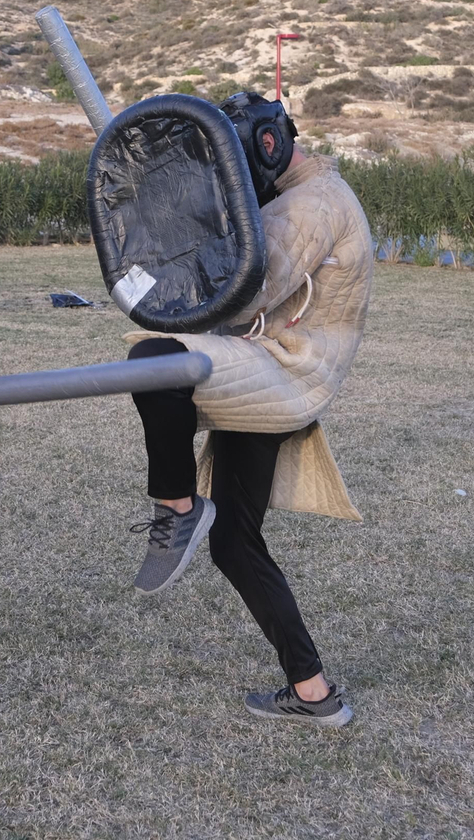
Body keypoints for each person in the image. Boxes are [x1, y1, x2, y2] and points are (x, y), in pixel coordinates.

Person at [125, 92, 373, 728]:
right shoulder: (306, 194)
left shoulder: (311, 204)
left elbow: (240, 294)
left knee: (155, 360)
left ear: (265, 144)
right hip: (270, 372)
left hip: (284, 371)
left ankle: (177, 507)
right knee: (235, 542)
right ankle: (314, 692)